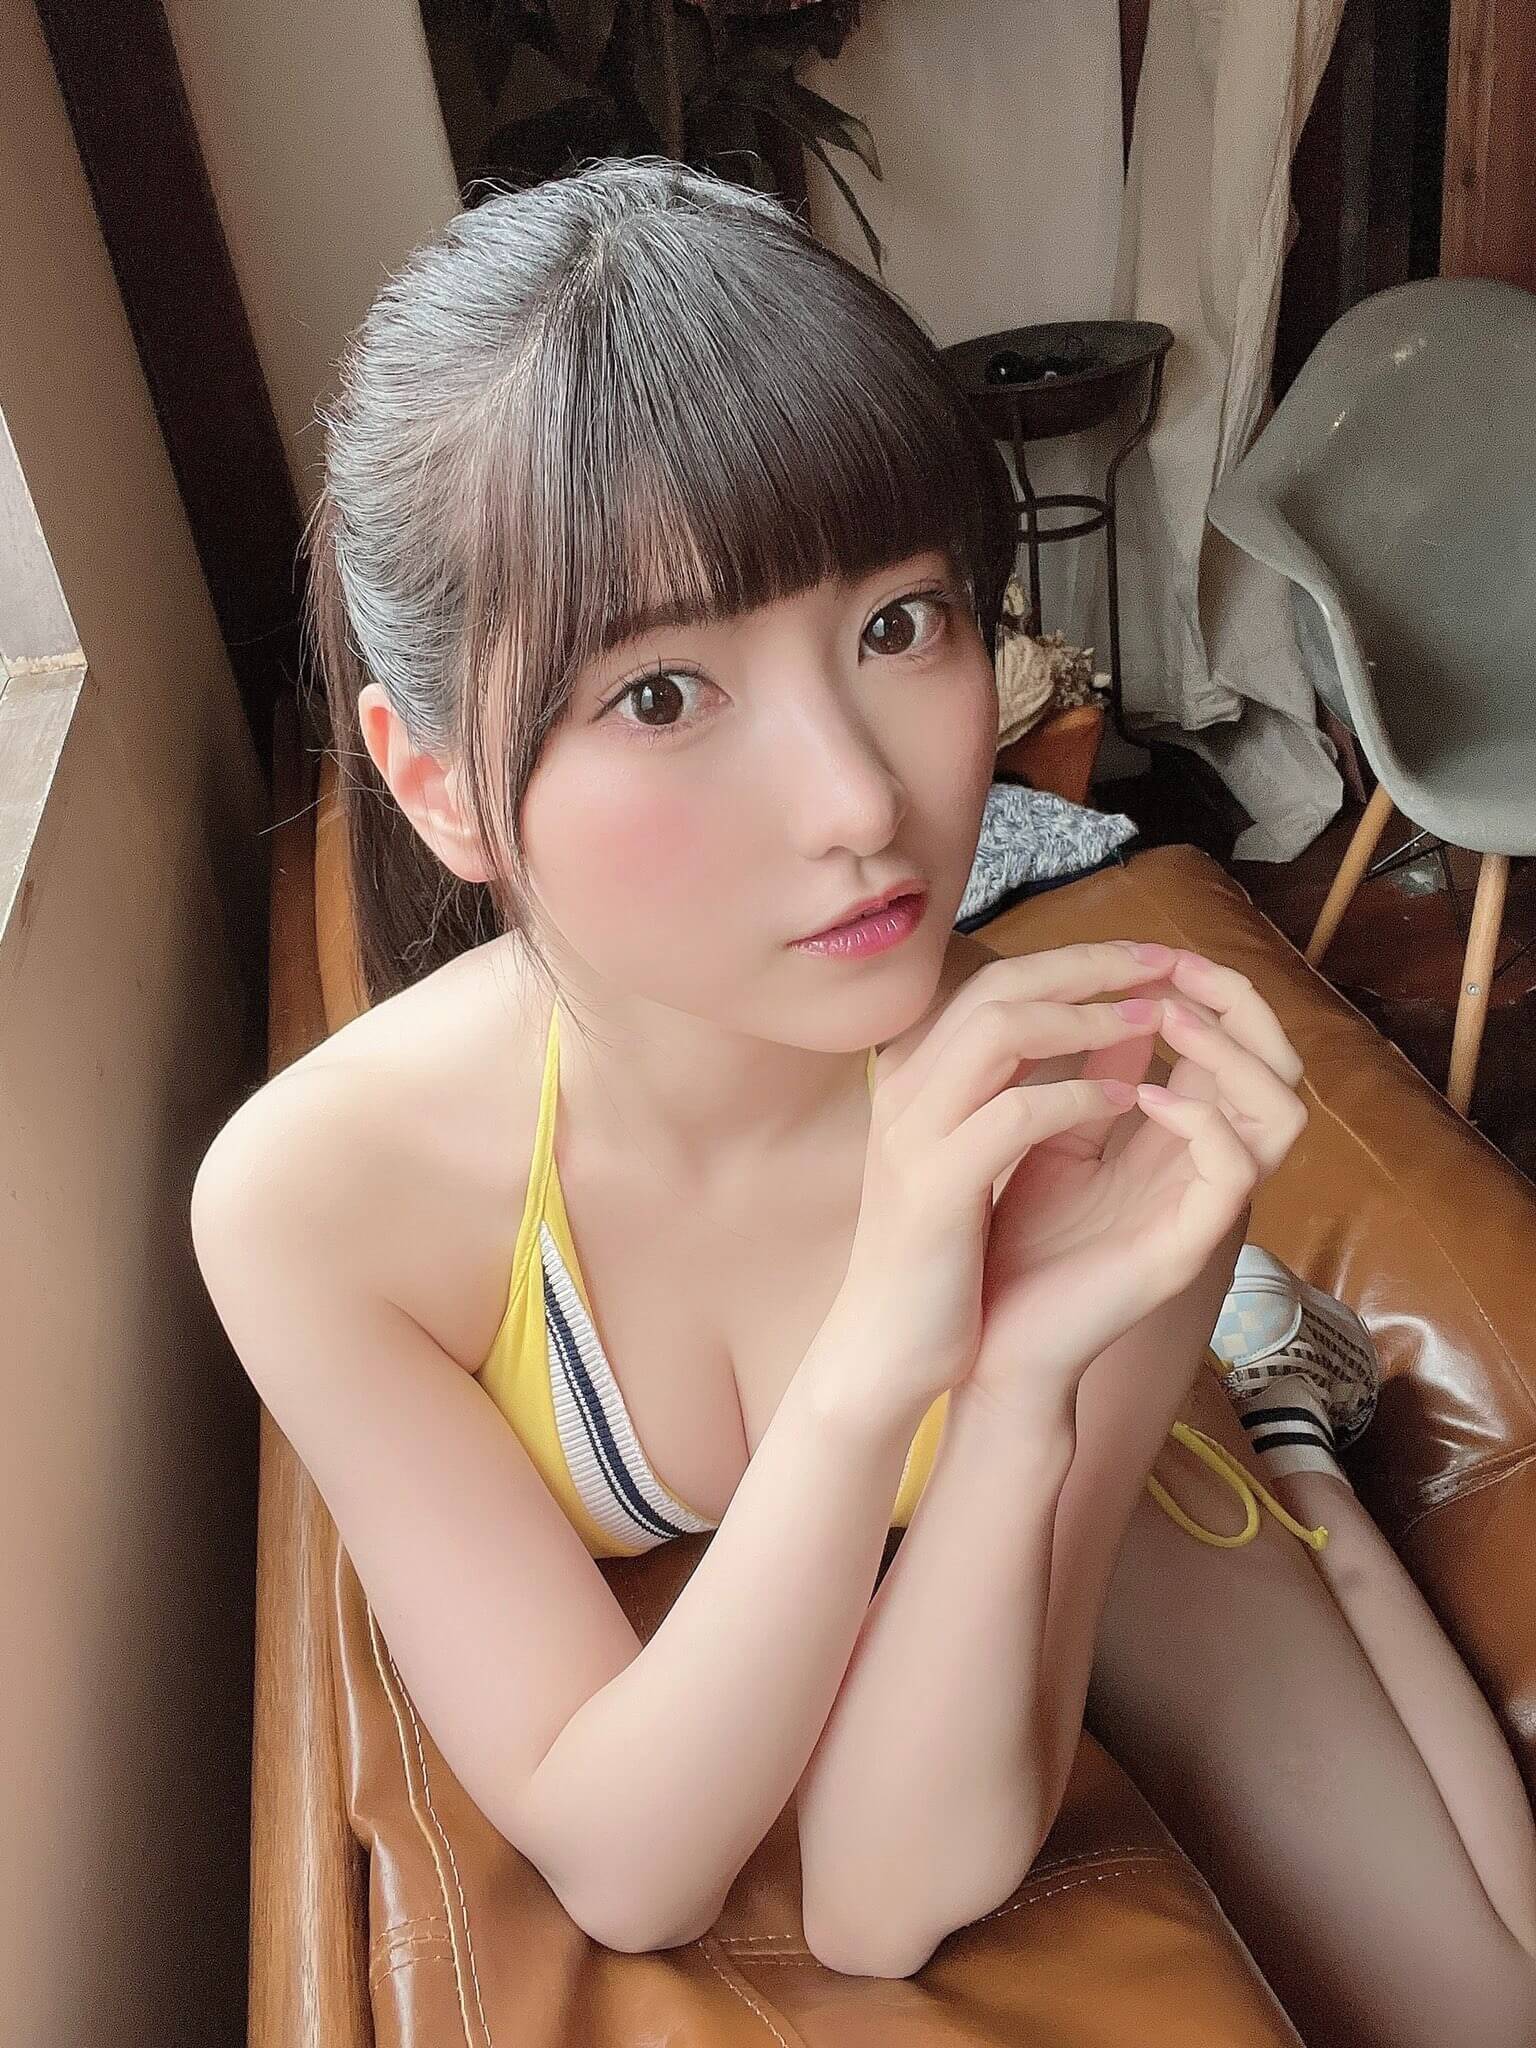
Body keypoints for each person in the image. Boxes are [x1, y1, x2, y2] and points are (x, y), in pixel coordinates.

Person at [190, 157, 1536, 2044]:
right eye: (662, 696)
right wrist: (874, 1362)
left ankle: (1282, 1413)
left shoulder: (1090, 1129)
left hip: (1107, 1427)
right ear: (440, 786)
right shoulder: (318, 1201)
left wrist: (1015, 1385)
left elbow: (891, 1888)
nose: (857, 802)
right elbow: (636, 1869)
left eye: (901, 625)